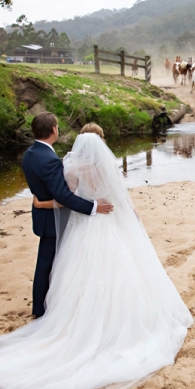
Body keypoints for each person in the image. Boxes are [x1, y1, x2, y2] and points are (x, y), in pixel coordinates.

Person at [0, 125, 193, 389]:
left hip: (85, 226)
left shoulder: (70, 166)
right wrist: (130, 220)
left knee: (75, 273)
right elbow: (119, 198)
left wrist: (41, 202)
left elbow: (67, 199)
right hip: (110, 221)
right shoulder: (108, 164)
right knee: (123, 271)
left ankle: (67, 314)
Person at [19, 113, 113, 318]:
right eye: (58, 127)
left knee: (51, 264)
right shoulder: (52, 160)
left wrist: (41, 203)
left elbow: (54, 192)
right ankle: (44, 308)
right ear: (53, 129)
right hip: (56, 220)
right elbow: (64, 197)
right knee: (53, 264)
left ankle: (42, 308)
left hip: (47, 217)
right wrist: (95, 206)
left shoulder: (29, 154)